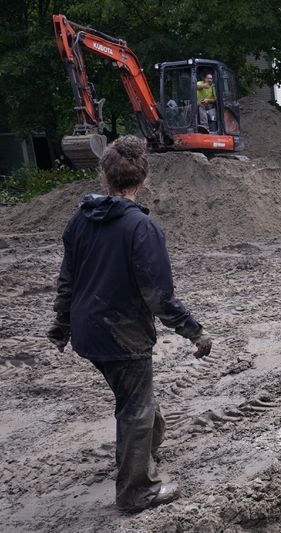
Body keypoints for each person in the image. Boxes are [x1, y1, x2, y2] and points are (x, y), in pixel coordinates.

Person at [47, 135, 212, 513]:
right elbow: (160, 297)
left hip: (88, 334)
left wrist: (61, 325)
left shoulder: (79, 220)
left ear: (104, 175)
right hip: (123, 336)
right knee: (135, 408)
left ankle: (142, 459)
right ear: (144, 178)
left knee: (136, 399)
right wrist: (195, 332)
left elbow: (67, 280)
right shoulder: (142, 228)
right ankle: (137, 491)